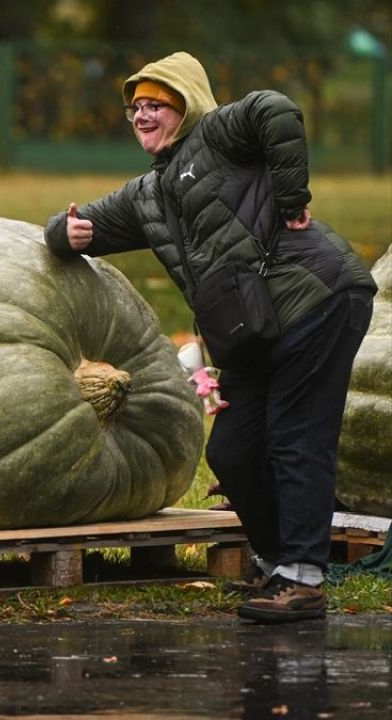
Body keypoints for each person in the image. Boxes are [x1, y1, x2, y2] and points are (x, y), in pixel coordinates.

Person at [44, 51, 375, 624]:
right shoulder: (146, 194)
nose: (143, 116)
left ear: (187, 106)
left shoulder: (220, 135)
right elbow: (81, 224)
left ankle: (302, 578)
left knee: (294, 436)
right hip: (250, 330)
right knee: (231, 450)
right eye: (135, 108)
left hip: (317, 299)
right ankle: (280, 564)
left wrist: (292, 197)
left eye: (156, 105)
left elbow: (278, 109)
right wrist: (63, 232)